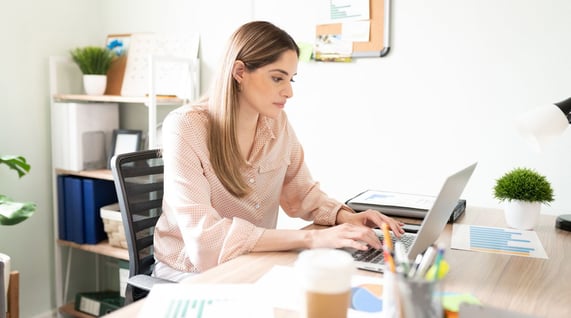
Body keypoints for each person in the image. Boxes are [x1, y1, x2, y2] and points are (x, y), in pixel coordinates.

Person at [153, 21, 404, 281]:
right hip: (188, 271)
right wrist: (312, 238)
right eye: (277, 78)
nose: (289, 91)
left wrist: (346, 218)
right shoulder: (185, 126)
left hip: (252, 260)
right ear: (239, 72)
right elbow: (205, 242)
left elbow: (302, 192)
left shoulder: (276, 122)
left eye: (290, 79)